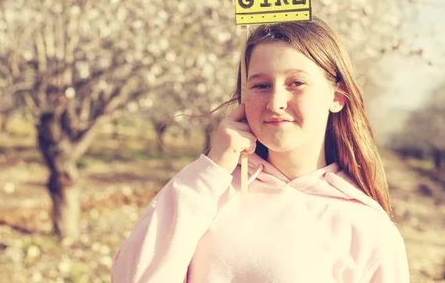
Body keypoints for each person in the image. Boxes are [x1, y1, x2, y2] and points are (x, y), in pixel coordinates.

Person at [111, 18, 409, 283]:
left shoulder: (366, 227)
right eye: (261, 85)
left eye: (296, 83)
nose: (275, 101)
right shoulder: (207, 192)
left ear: (338, 98)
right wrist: (211, 170)